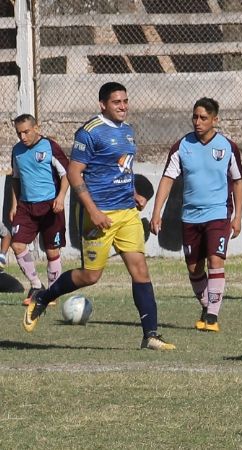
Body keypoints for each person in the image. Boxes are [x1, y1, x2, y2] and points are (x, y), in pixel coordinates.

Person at [22, 81, 176, 351]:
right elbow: (74, 172)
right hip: (99, 214)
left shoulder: (128, 131)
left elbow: (121, 170)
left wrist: (134, 195)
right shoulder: (89, 132)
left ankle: (150, 335)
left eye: (125, 101)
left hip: (126, 214)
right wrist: (92, 211)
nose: (123, 106)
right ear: (102, 104)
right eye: (117, 102)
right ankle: (44, 297)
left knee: (140, 270)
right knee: (91, 276)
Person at [150, 98, 242, 333]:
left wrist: (238, 216)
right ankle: (207, 305)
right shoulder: (182, 146)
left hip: (218, 213)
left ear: (215, 120)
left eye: (203, 118)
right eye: (195, 117)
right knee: (194, 268)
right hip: (190, 216)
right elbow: (167, 179)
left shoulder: (228, 147)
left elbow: (239, 182)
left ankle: (212, 317)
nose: (198, 122)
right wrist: (156, 212)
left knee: (215, 260)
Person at [8, 114, 69, 305]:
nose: (23, 137)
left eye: (26, 132)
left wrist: (61, 197)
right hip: (26, 206)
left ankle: (51, 293)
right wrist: (14, 204)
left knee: (52, 251)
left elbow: (66, 173)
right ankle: (36, 285)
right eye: (19, 134)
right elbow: (16, 178)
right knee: (17, 244)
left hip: (50, 205)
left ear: (37, 128)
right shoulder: (16, 151)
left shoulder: (50, 146)